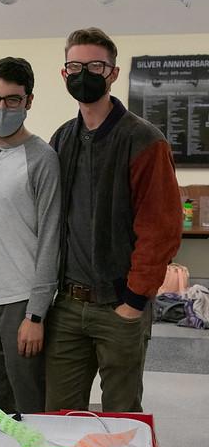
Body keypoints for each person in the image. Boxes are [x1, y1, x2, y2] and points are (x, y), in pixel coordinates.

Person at [45, 27, 183, 413]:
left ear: (114, 73)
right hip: (68, 306)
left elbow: (161, 228)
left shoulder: (144, 140)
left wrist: (134, 301)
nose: (83, 73)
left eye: (95, 65)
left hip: (120, 305)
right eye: (75, 65)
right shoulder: (62, 139)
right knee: (59, 416)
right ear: (64, 73)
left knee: (121, 419)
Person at [0, 57, 61, 422]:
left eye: (12, 100)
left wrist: (36, 313)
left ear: (28, 102)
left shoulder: (42, 158)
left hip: (20, 305)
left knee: (29, 408)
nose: (0, 107)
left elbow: (51, 236)